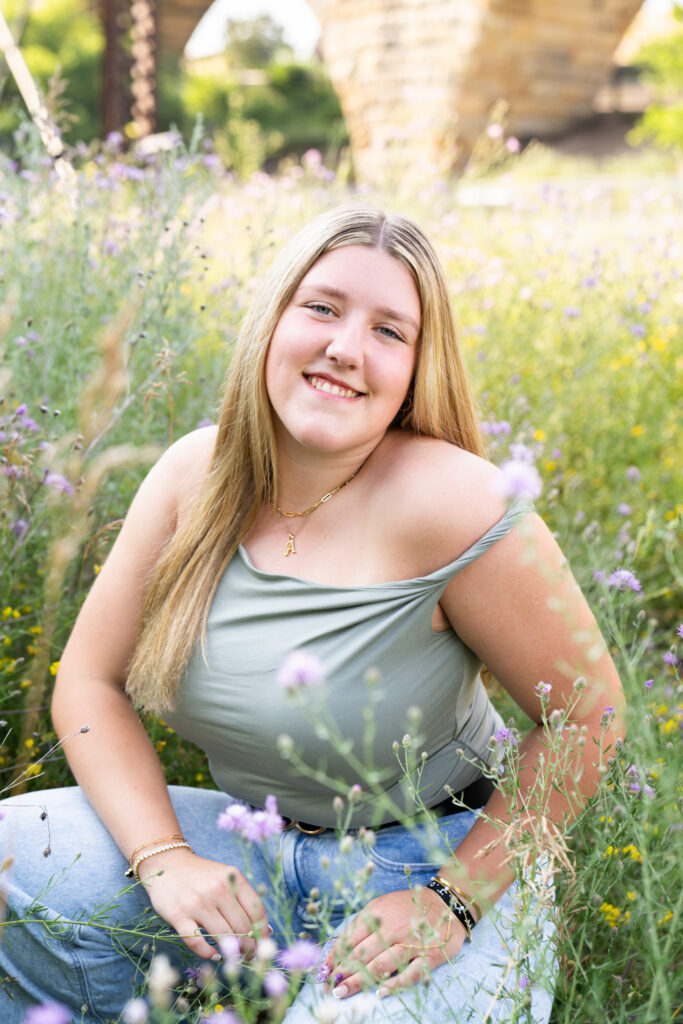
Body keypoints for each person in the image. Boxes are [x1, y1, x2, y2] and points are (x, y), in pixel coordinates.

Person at [0, 206, 625, 1024]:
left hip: (425, 862)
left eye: (389, 331)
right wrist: (165, 860)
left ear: (414, 369)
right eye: (322, 307)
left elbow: (589, 715)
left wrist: (452, 902)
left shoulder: (458, 503)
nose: (344, 347)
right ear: (272, 321)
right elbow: (88, 684)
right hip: (246, 844)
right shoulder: (195, 474)